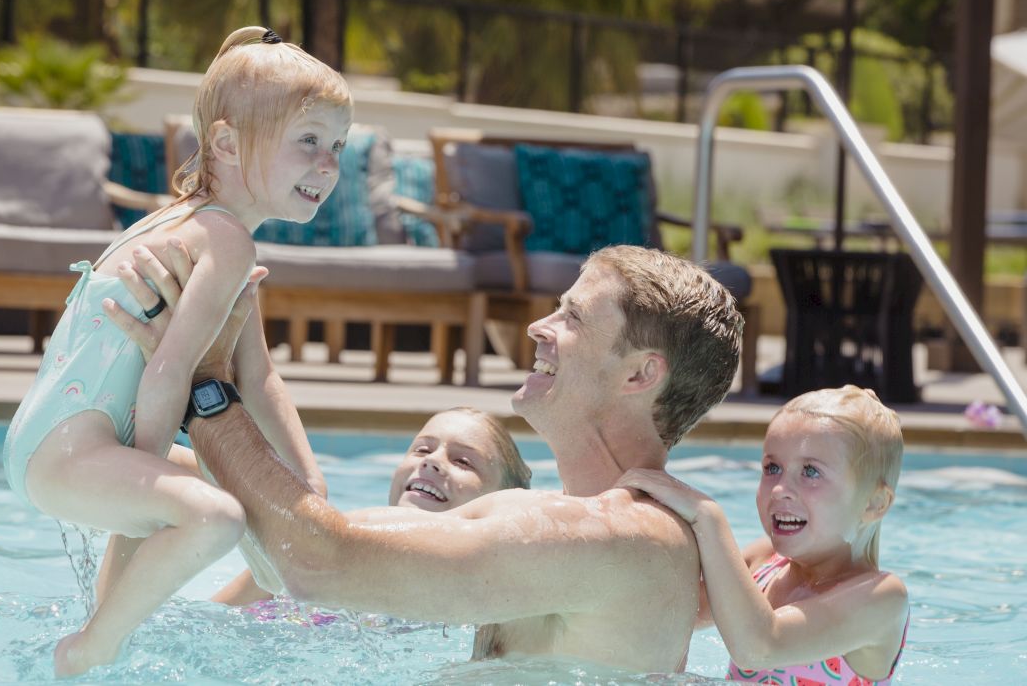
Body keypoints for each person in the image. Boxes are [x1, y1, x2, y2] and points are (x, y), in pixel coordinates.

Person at [107, 243, 743, 673]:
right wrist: (226, 352)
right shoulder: (563, 519)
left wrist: (203, 387)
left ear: (640, 375)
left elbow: (315, 562)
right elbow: (315, 536)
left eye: (571, 316)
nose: (538, 327)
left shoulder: (620, 536)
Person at [2, 25, 351, 677]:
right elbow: (166, 377)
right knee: (214, 519)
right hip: (70, 450)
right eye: (308, 141)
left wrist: (311, 481)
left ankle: (113, 625)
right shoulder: (223, 240)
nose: (328, 164)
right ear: (225, 142)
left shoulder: (204, 228)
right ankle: (92, 647)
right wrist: (150, 476)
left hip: (57, 441)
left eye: (337, 146)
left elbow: (258, 372)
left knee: (274, 523)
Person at [619, 385, 909, 684]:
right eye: (772, 468)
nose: (780, 489)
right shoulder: (764, 562)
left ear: (874, 504)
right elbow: (671, 612)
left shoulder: (883, 598)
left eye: (810, 472)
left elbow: (760, 647)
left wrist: (707, 516)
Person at [211, 406, 533, 608]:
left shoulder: (495, 600)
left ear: (504, 497)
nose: (433, 462)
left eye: (463, 461)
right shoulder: (324, 548)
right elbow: (215, 621)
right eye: (422, 449)